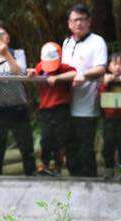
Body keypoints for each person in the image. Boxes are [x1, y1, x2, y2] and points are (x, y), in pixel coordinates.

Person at [0, 21, 36, 177]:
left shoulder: (18, 53)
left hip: (18, 108)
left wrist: (6, 54)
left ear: (8, 38)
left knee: (26, 147)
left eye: (0, 35)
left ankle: (32, 178)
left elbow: (19, 74)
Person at [61, 4, 108, 177]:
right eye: (74, 20)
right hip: (66, 103)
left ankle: (90, 184)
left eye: (82, 19)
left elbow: (101, 69)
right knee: (71, 147)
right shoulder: (67, 42)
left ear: (89, 22)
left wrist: (83, 75)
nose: (78, 23)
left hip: (87, 105)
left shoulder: (97, 41)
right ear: (69, 23)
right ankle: (75, 184)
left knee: (85, 148)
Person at [28, 42, 76, 176]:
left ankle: (58, 165)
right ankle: (45, 164)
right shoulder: (40, 66)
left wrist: (57, 77)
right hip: (45, 109)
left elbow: (74, 74)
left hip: (61, 108)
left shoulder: (63, 68)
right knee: (46, 138)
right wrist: (32, 74)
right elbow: (34, 75)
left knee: (61, 138)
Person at [99, 53, 121, 180]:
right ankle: (108, 169)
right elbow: (101, 98)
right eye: (115, 64)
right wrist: (105, 84)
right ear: (108, 66)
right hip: (108, 118)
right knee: (108, 144)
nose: (118, 67)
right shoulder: (105, 79)